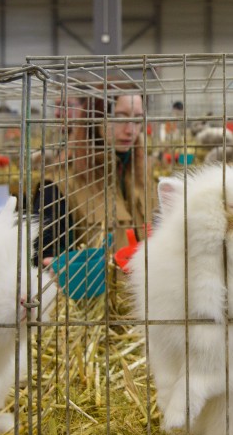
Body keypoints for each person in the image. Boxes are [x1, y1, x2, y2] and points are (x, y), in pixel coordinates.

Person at [33, 86, 157, 296]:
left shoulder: (143, 180)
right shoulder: (59, 184)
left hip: (147, 304)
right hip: (95, 312)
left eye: (138, 120)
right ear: (95, 120)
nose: (130, 130)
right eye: (119, 118)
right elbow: (46, 259)